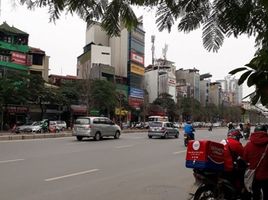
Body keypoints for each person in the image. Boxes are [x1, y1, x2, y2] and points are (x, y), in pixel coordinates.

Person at [243, 125, 268, 200]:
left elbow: (245, 158)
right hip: (267, 176)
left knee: (255, 194)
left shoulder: (248, 145)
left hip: (254, 175)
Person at [221, 129, 246, 195]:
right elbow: (244, 155)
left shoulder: (222, 141)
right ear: (236, 137)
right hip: (229, 168)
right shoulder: (236, 143)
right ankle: (239, 191)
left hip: (220, 166)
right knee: (242, 172)